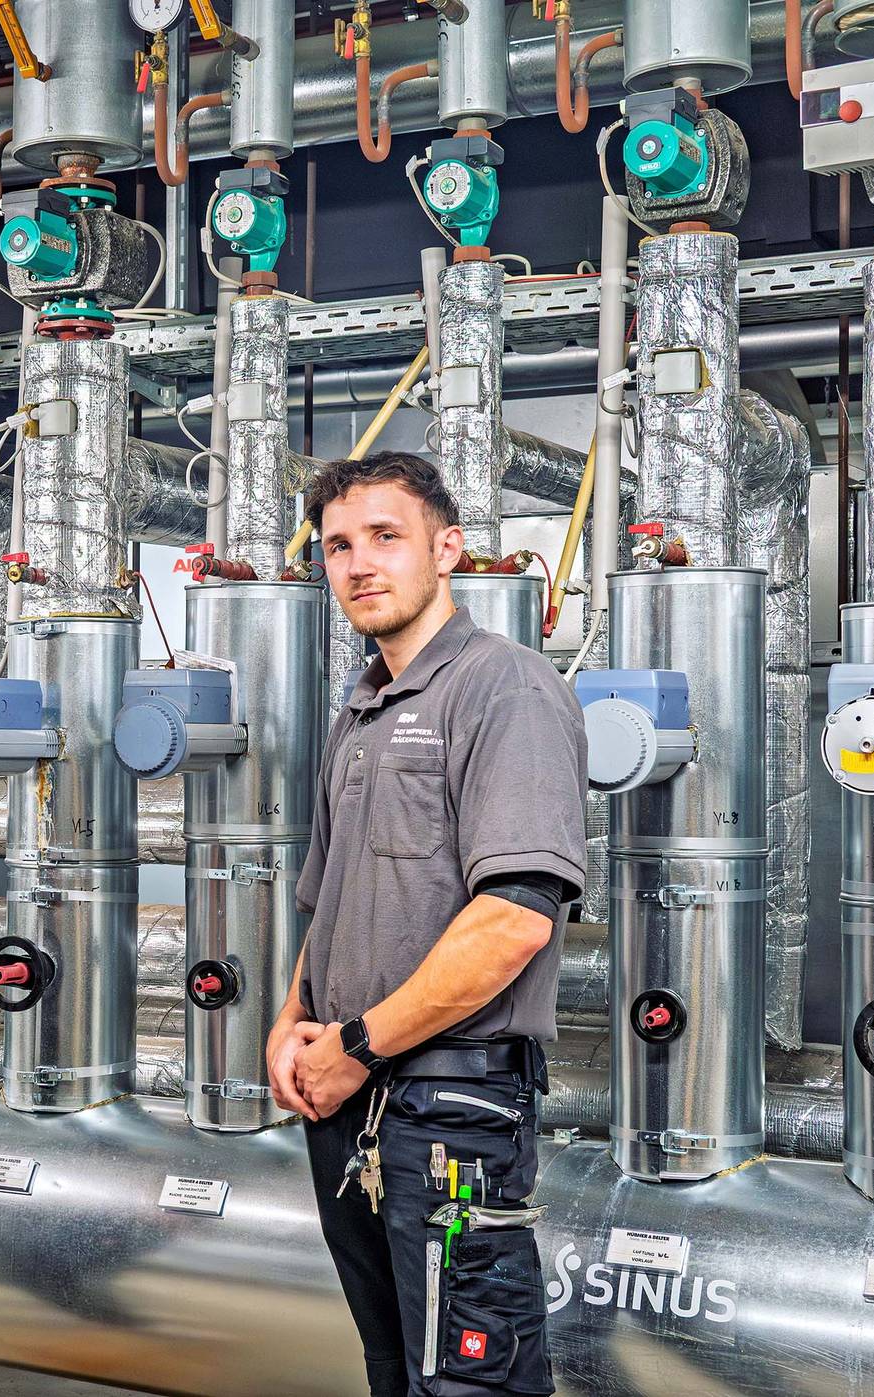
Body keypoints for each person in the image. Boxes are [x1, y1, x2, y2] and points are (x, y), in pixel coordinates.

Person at [267, 452, 588, 1397]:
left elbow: (513, 921)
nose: (359, 562)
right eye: (338, 546)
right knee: (395, 1369)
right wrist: (291, 1024)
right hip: (349, 1098)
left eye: (385, 536)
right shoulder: (361, 710)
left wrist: (356, 1046)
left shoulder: (505, 689)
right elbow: (327, 901)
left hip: (451, 1105)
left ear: (447, 549)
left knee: (467, 1383)